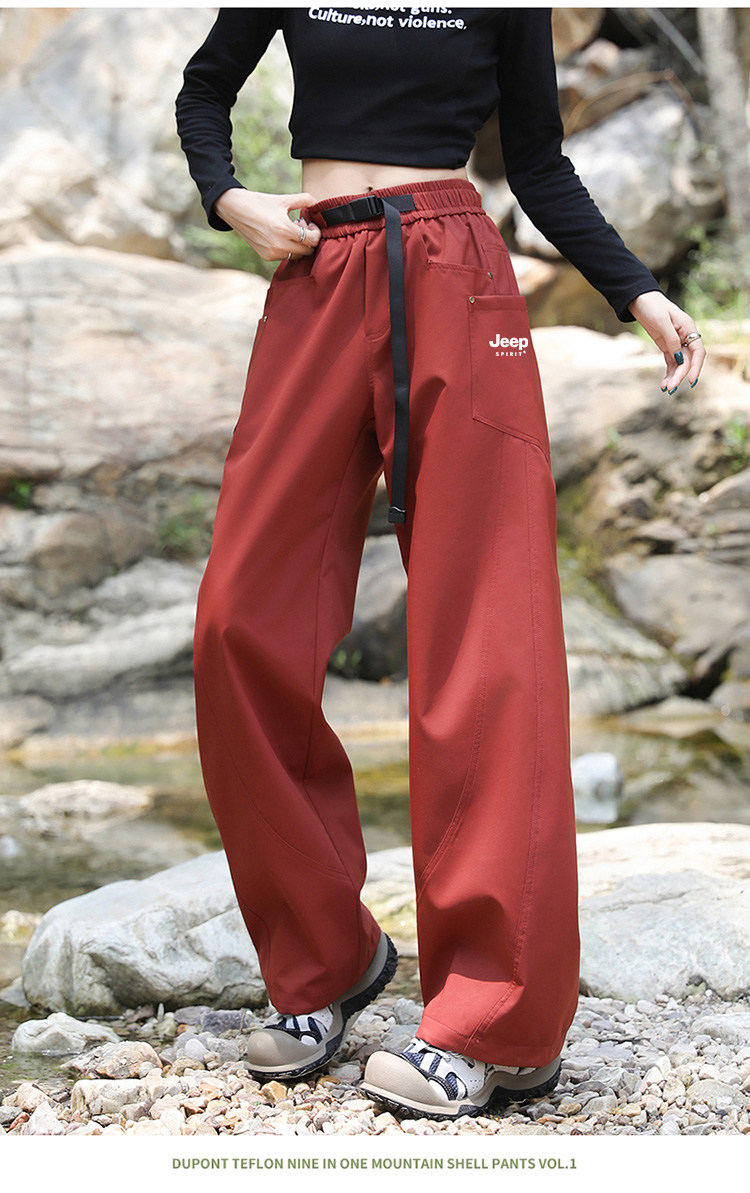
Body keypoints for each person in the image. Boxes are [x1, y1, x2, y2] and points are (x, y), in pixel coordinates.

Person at [175, 7, 705, 1121]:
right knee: (235, 620)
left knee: (489, 642)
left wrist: (637, 290)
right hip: (318, 272)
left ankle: (496, 1021)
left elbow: (539, 161)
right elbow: (205, 88)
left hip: (456, 274)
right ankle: (324, 959)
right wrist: (229, 197)